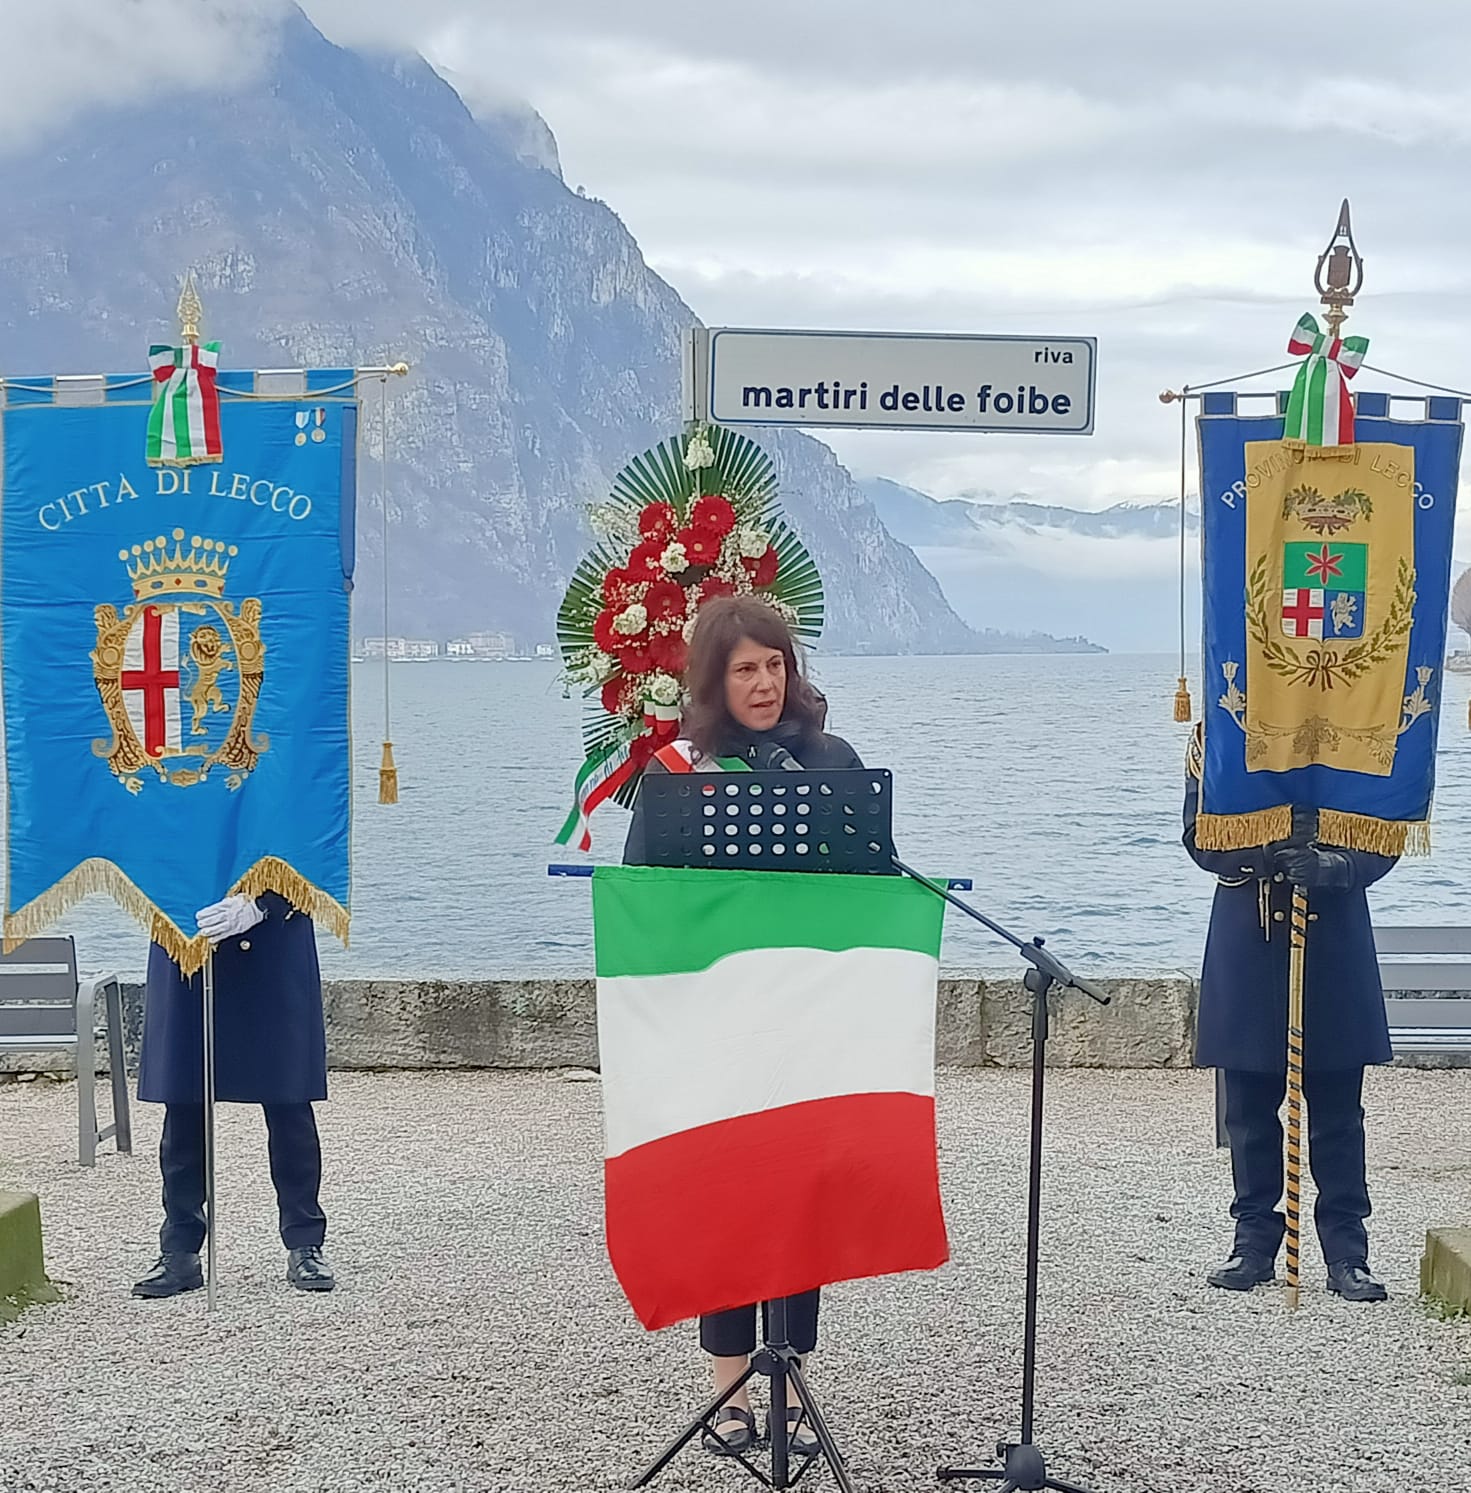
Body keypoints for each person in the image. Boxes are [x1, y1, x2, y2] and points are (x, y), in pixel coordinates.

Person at [622, 594, 862, 1456]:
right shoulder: (675, 771)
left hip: (804, 1013)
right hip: (713, 1017)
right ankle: (727, 1386)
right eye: (744, 669)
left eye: (774, 665)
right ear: (713, 682)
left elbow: (867, 883)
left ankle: (791, 1381)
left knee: (799, 1198)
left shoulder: (832, 761)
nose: (763, 683)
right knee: (725, 1195)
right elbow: (641, 899)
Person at [1182, 725, 1395, 1303]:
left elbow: (1387, 825)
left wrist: (1337, 867)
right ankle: (1253, 1244)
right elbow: (1200, 836)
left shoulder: (1355, 725)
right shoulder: (1221, 733)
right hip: (1250, 941)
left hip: (1331, 945)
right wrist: (1265, 851)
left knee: (1338, 1118)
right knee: (1249, 1115)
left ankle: (1348, 1253)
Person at [131, 891, 336, 1298]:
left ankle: (305, 1242)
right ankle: (179, 1249)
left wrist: (264, 905)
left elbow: (312, 860)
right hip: (187, 933)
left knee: (289, 1102)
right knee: (185, 1101)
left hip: (274, 944)